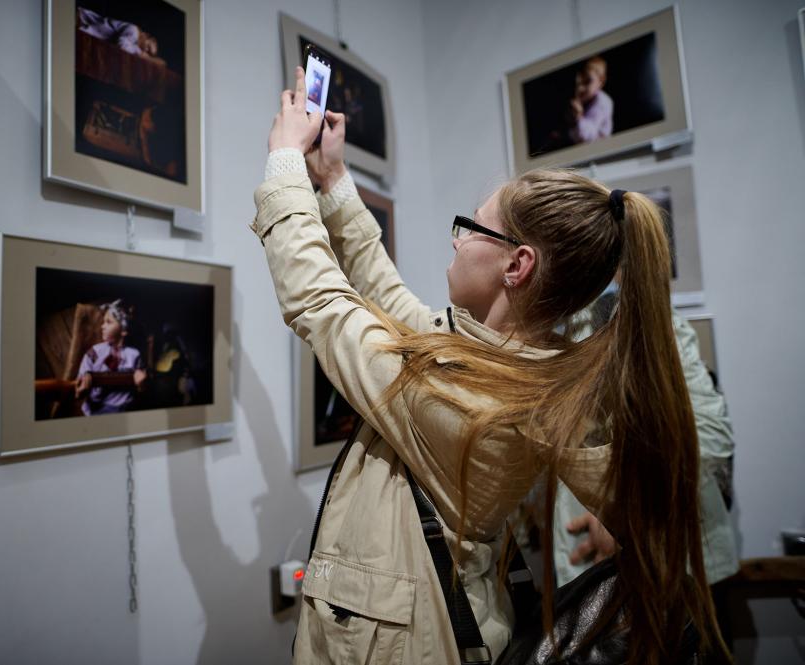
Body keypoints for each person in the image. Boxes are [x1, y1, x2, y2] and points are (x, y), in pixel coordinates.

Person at [252, 67, 726, 664]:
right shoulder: (514, 366)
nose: (456, 241)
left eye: (470, 227)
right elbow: (391, 300)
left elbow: (323, 304)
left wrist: (284, 161)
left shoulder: (473, 397)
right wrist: (335, 180)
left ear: (516, 265)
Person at [553, 293, 738, 588]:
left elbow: (708, 438)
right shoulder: (536, 328)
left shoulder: (623, 313)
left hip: (665, 569)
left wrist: (624, 513)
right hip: (589, 570)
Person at [75, 299, 147, 415]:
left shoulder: (134, 355)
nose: (102, 326)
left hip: (123, 411)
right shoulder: (94, 352)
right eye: (103, 322)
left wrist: (141, 383)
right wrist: (82, 386)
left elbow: (141, 388)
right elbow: (80, 382)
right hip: (96, 410)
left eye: (108, 322)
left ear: (123, 331)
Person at [567, 55, 613, 144]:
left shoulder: (602, 102)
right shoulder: (584, 99)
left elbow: (588, 136)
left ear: (601, 81)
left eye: (587, 81)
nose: (580, 88)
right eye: (579, 83)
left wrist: (578, 117)